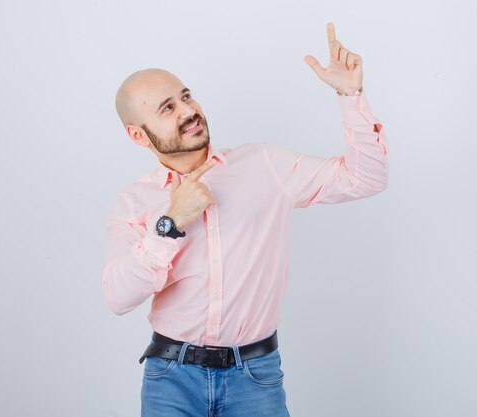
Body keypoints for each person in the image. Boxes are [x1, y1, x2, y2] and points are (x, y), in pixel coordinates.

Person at [102, 22, 389, 417]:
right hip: (170, 377)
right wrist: (170, 224)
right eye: (168, 107)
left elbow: (366, 178)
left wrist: (350, 94)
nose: (189, 111)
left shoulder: (263, 165)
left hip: (255, 375)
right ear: (138, 135)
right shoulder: (135, 201)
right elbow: (118, 297)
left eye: (186, 96)